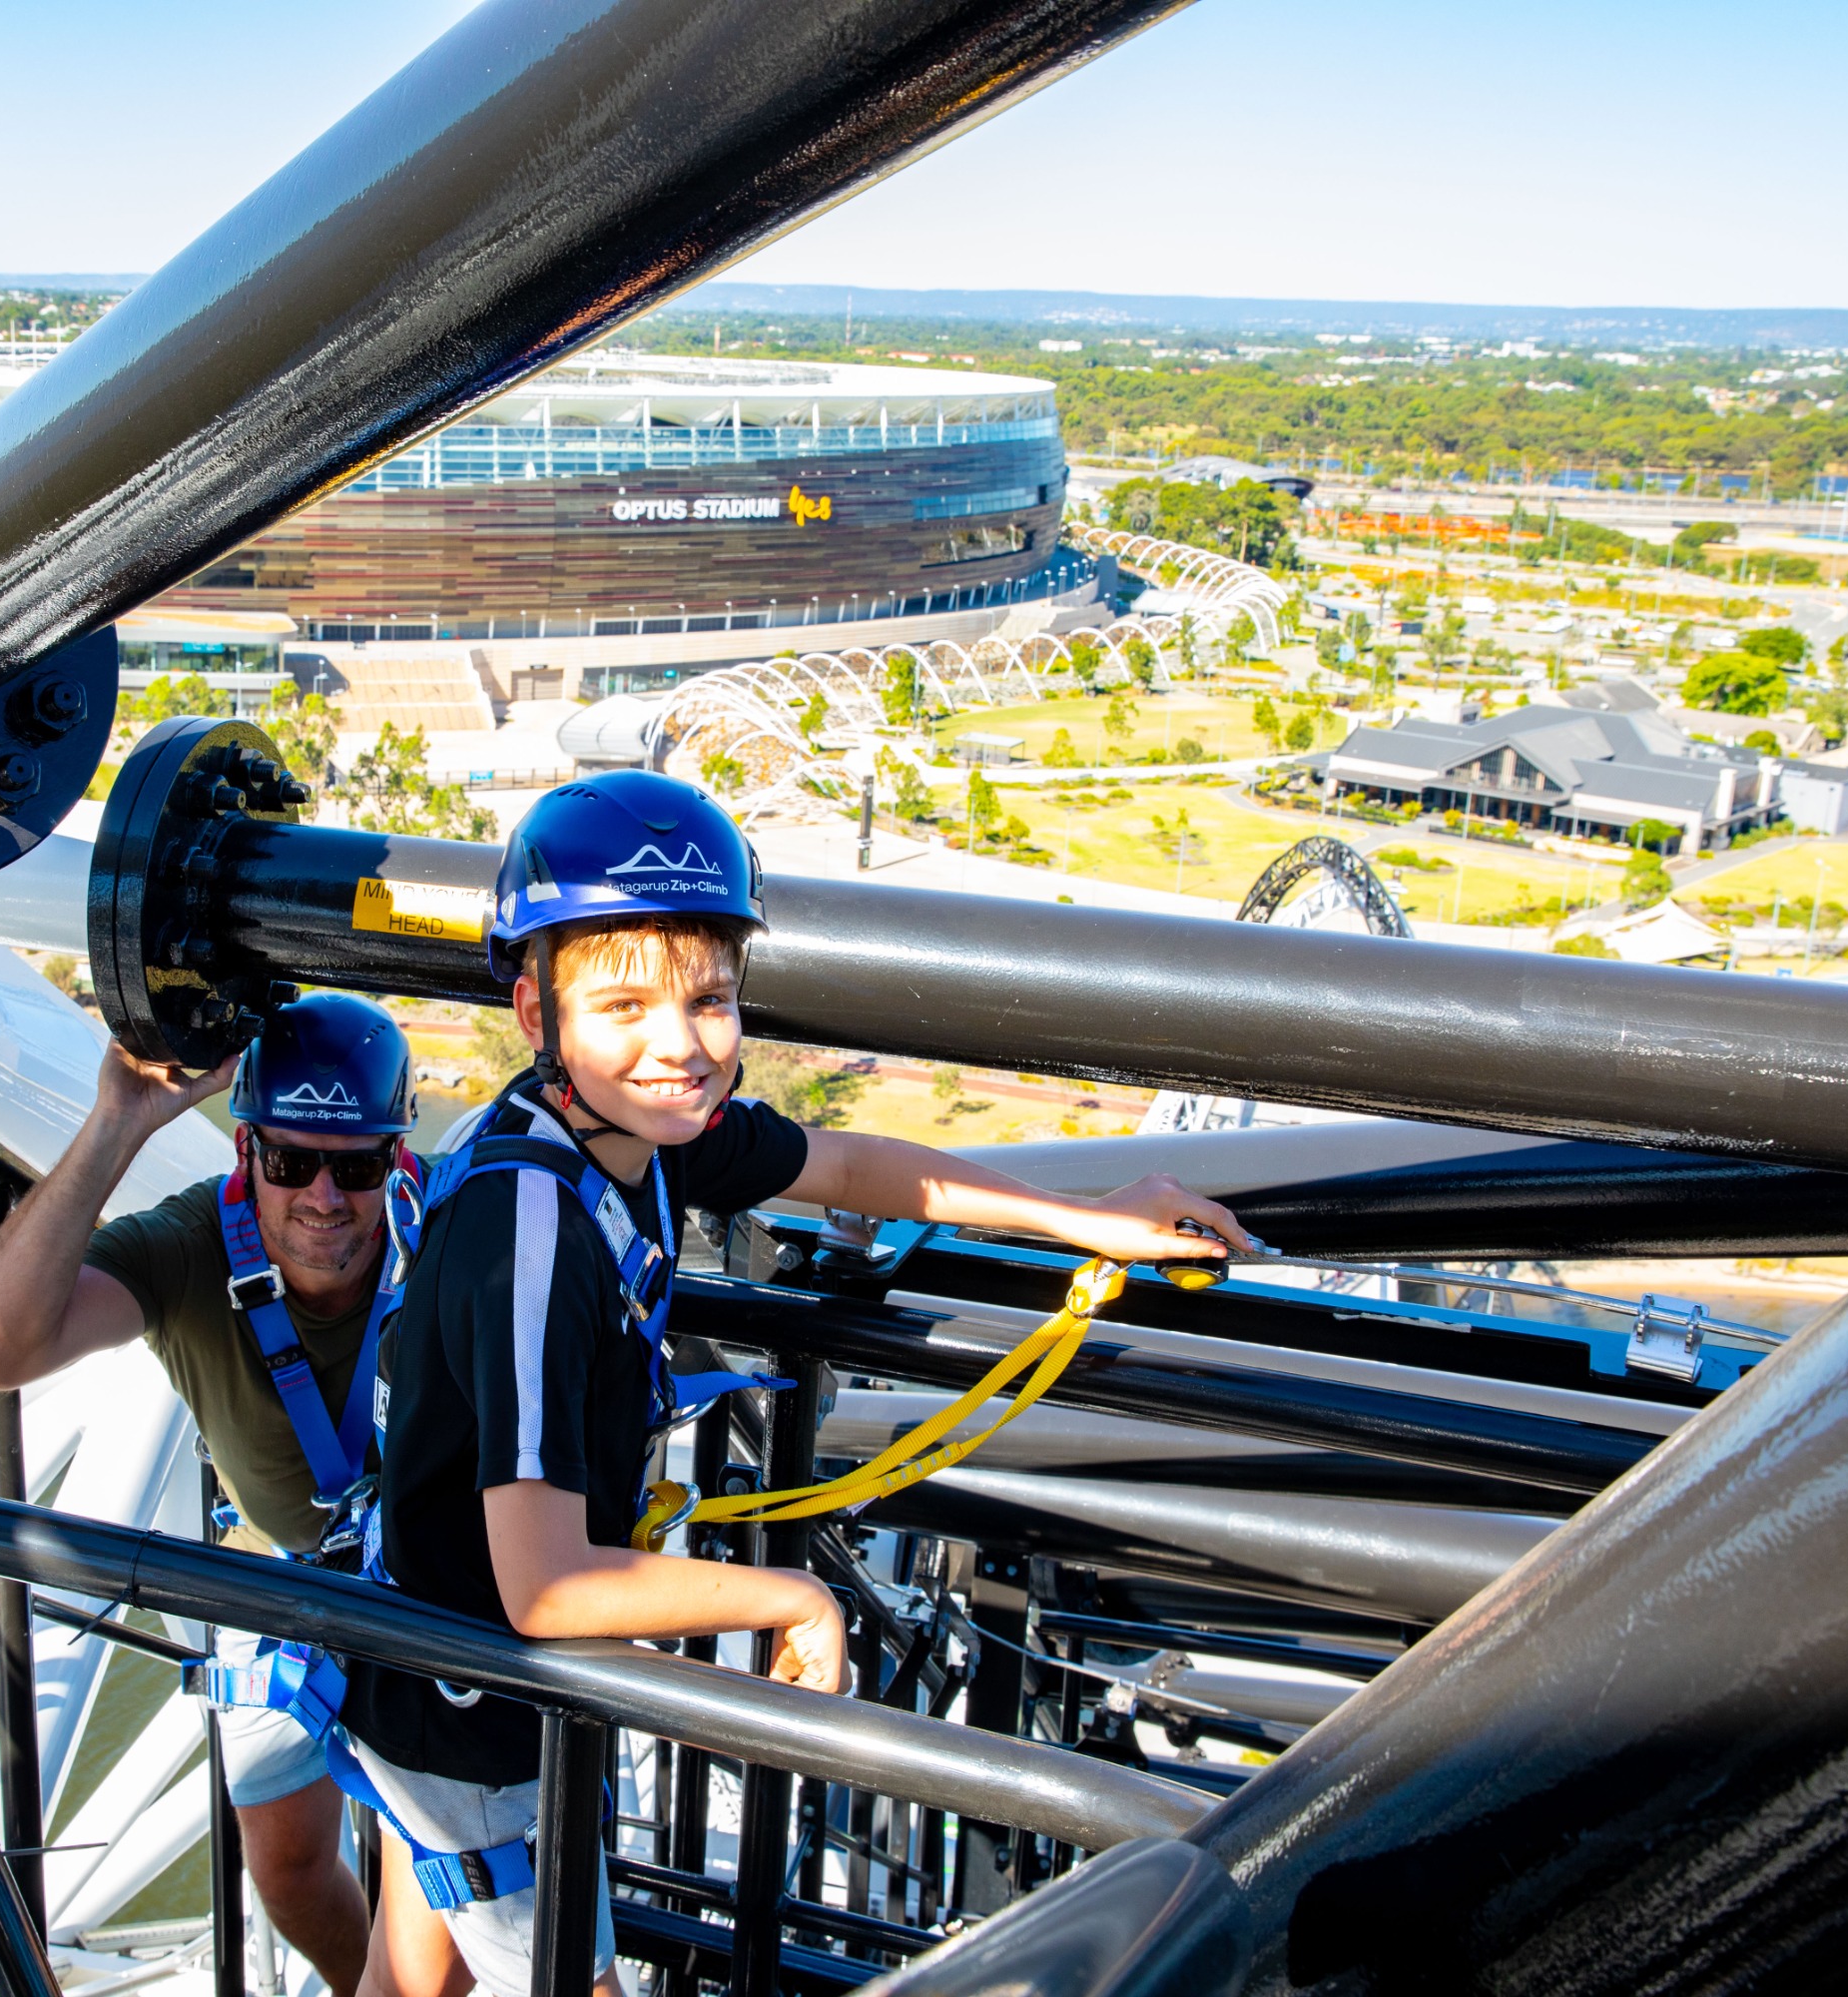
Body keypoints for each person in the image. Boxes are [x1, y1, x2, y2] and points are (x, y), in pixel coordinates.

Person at [340, 771, 1249, 1997]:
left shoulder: (623, 1129)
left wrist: (1089, 1218)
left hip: (429, 1658)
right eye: (623, 1005)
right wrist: (789, 1603)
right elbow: (547, 1583)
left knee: (414, 1983)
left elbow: (854, 1162)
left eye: (710, 999)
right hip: (478, 1694)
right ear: (532, 1009)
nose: (680, 1043)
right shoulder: (531, 1227)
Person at [0, 993, 421, 1997]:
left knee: (461, 1869)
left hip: (433, 1585)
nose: (326, 1197)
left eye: (359, 1164)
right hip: (276, 1592)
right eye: (291, 1161)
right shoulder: (190, 1243)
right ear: (245, 1150)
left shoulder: (445, 1224)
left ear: (397, 1156)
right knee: (288, 1870)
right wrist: (119, 1118)